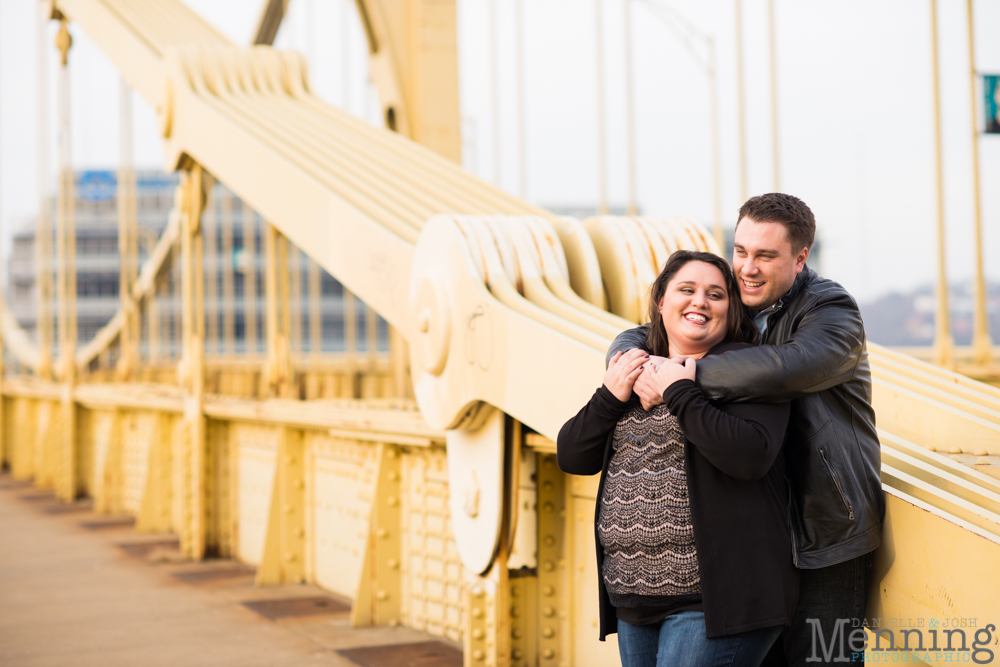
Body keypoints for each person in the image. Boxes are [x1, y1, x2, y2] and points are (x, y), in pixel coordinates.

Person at [608, 193, 884, 666]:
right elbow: (647, 330)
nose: (747, 268)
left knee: (828, 662)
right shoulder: (732, 297)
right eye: (740, 251)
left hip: (825, 532)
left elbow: (787, 369)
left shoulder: (832, 309)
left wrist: (675, 376)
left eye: (765, 255)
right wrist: (632, 362)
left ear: (800, 259)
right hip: (756, 534)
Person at [558, 250, 798, 667]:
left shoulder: (750, 370)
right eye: (686, 290)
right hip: (634, 600)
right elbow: (572, 456)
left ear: (731, 309)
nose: (700, 302)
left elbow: (750, 456)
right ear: (660, 303)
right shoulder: (633, 370)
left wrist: (680, 393)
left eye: (716, 294)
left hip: (716, 601)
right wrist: (609, 396)